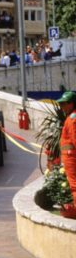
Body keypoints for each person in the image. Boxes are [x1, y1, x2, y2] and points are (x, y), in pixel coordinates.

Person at [57, 91, 76, 219]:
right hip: (69, 157)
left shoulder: (72, 119)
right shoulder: (71, 118)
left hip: (71, 158)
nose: (62, 107)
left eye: (64, 103)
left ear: (72, 104)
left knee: (74, 185)